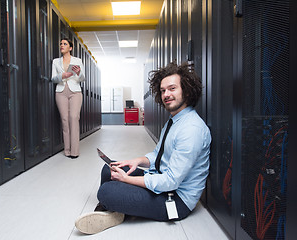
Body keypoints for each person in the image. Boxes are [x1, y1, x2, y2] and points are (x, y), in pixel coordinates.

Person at [74, 61, 211, 234]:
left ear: (187, 90)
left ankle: (112, 207)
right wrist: (135, 161)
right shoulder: (175, 121)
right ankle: (114, 209)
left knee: (107, 190)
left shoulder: (191, 129)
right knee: (109, 169)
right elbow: (158, 156)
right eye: (162, 91)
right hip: (162, 181)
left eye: (172, 88)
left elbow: (170, 181)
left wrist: (127, 180)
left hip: (175, 200)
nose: (166, 94)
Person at [51, 38, 85, 158]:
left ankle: (75, 152)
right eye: (60, 43)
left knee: (73, 118)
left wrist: (79, 72)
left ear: (70, 48)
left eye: (65, 44)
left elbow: (82, 78)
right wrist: (62, 75)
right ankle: (67, 150)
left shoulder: (78, 60)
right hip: (61, 91)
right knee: (65, 120)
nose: (62, 45)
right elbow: (53, 79)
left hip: (75, 91)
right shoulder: (56, 61)